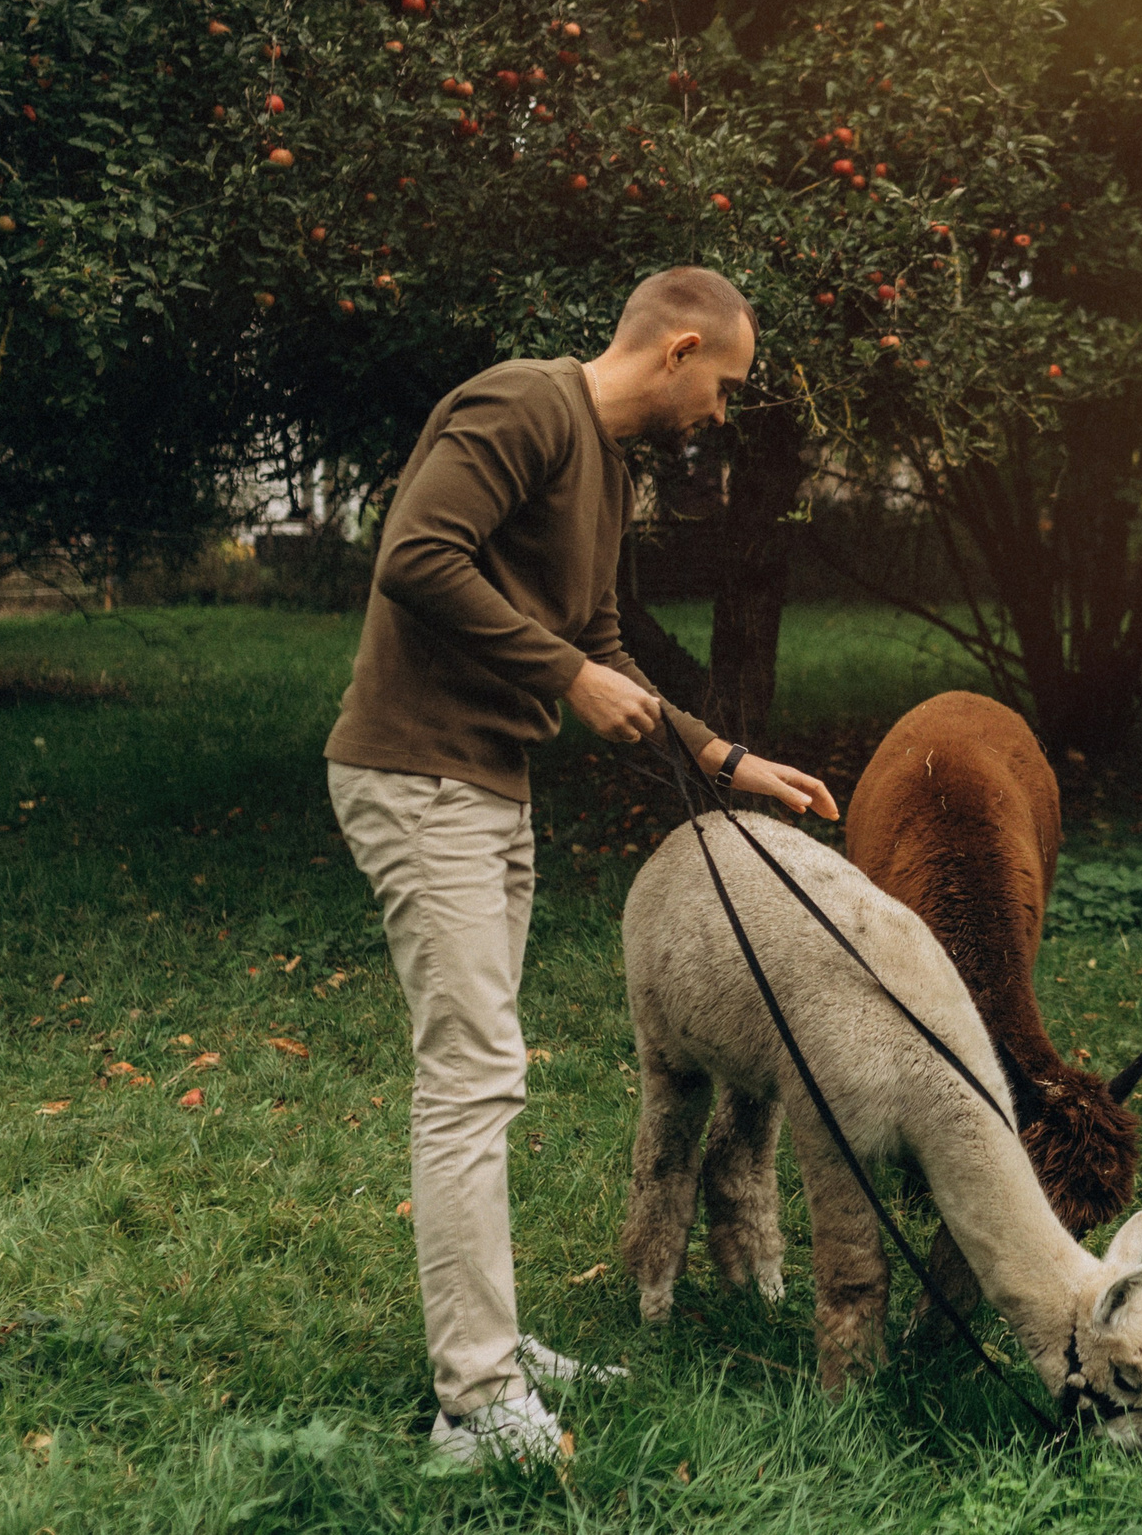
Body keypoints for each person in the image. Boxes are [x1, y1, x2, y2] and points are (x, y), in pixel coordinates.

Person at [323, 266, 839, 1464]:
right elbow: (413, 553)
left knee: (486, 1073)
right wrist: (563, 677)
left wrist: (721, 755)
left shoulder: (606, 466)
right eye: (728, 382)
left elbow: (598, 639)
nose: (725, 408)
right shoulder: (520, 406)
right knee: (471, 1075)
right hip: (415, 772)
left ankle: (489, 1346)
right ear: (680, 347)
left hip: (487, 780)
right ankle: (474, 1402)